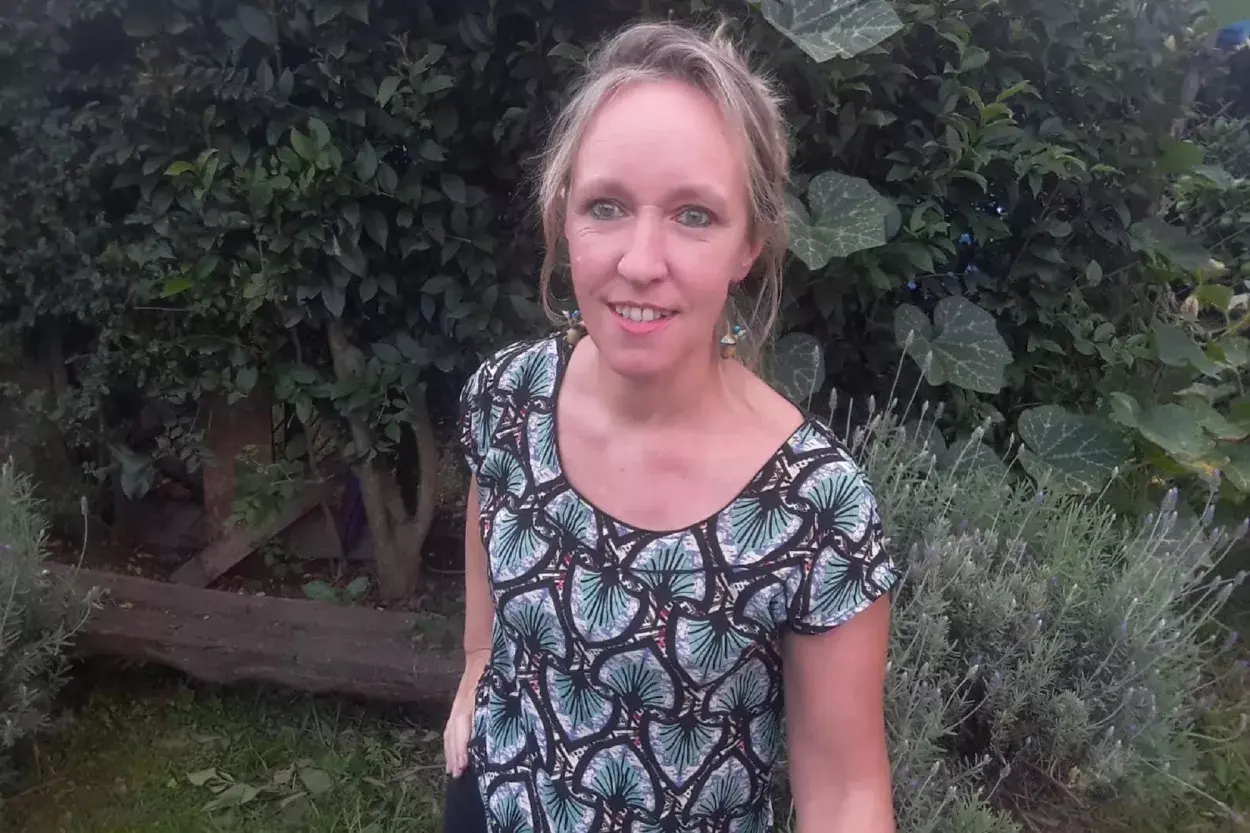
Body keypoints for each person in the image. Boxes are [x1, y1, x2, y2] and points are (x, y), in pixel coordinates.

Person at [442, 19, 897, 833]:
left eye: (693, 215)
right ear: (564, 216)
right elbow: (488, 512)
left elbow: (844, 793)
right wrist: (480, 661)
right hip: (495, 801)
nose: (641, 261)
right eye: (607, 206)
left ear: (748, 245)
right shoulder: (508, 398)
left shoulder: (816, 509)